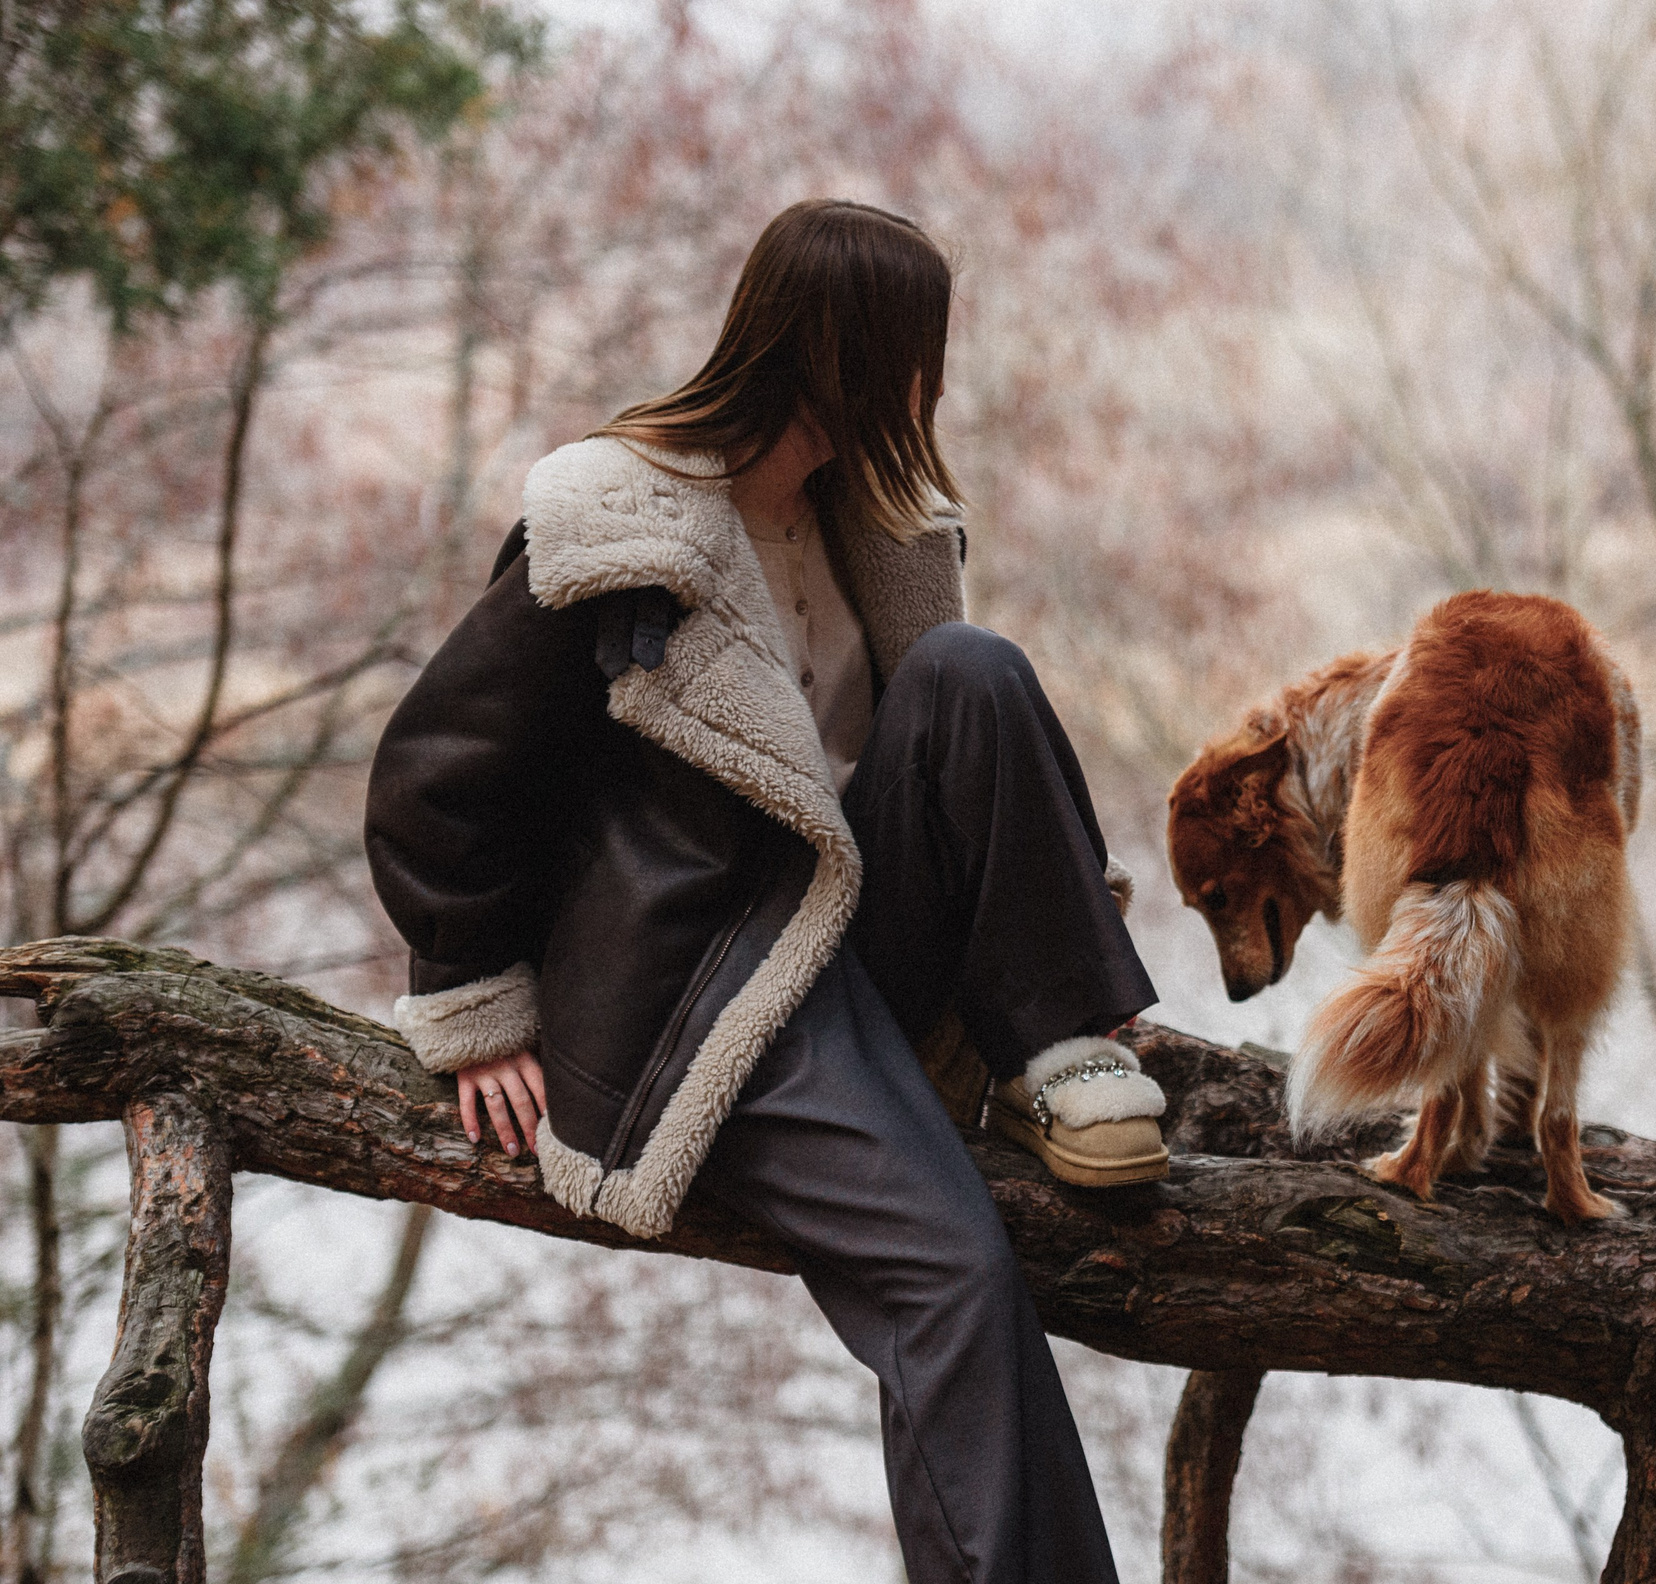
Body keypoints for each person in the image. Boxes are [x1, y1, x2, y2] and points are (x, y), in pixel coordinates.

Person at [363, 199, 1168, 1584]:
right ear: (851, 350)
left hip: (850, 940)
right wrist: (472, 996)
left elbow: (945, 764)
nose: (934, 388)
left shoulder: (867, 522)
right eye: (921, 351)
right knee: (955, 1276)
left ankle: (1063, 1045)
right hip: (711, 988)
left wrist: (1040, 929)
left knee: (977, 672)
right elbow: (436, 769)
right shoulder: (621, 523)